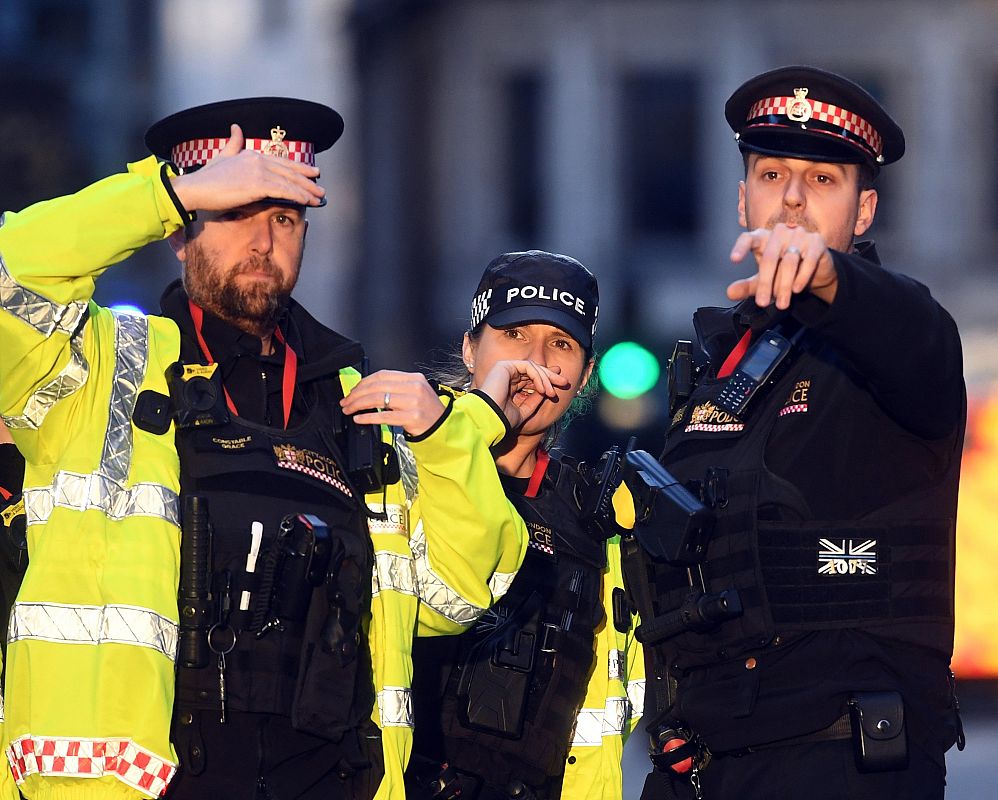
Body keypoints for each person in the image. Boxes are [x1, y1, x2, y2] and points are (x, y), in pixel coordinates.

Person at [0, 97, 532, 800]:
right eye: (236, 210)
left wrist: (445, 439)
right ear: (181, 232)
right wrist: (167, 192)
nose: (263, 241)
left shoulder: (358, 405)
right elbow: (16, 271)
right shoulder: (97, 366)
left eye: (283, 217)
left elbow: (458, 596)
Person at [627, 66, 965, 799]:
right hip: (705, 766)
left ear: (864, 210)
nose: (791, 199)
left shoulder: (897, 341)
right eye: (772, 173)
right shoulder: (720, 364)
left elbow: (915, 334)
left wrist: (830, 278)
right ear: (741, 196)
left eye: (822, 180)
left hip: (842, 761)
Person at [384, 251, 644, 800]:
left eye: (562, 345)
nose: (536, 362)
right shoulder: (391, 461)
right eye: (515, 334)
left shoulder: (603, 517)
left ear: (586, 375)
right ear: (469, 347)